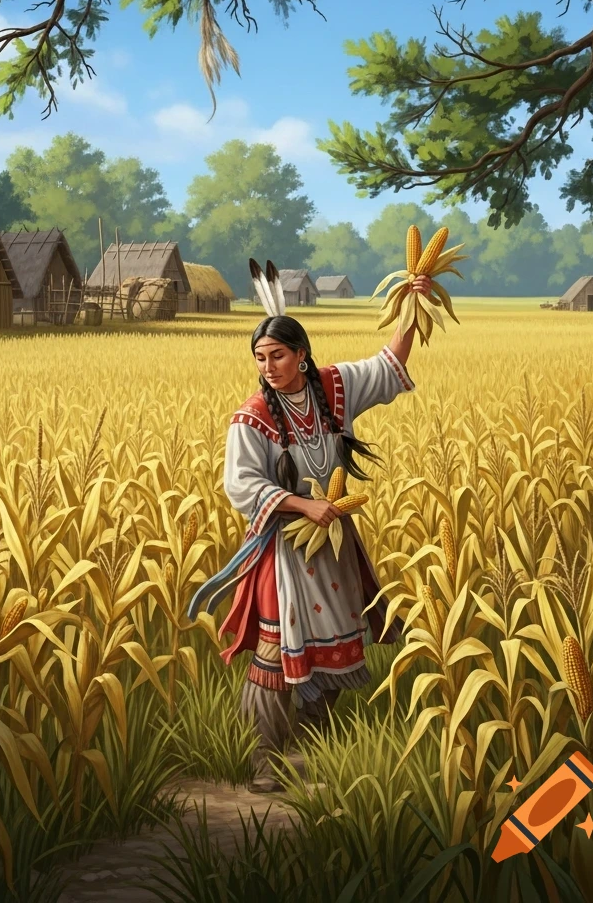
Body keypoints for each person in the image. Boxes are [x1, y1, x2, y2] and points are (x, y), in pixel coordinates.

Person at [188, 261, 430, 792]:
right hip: (282, 554)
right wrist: (304, 507)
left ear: (301, 353)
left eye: (277, 355)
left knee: (337, 649)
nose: (268, 367)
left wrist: (412, 308)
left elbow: (388, 366)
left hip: (334, 549)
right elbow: (241, 485)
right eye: (260, 358)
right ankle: (264, 761)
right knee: (275, 659)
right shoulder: (252, 417)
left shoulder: (334, 387)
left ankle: (311, 745)